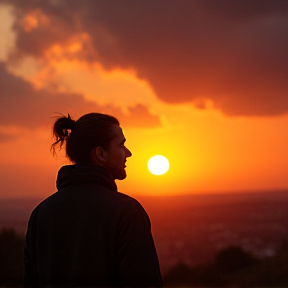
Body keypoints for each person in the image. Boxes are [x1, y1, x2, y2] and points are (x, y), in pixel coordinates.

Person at [23, 112, 162, 288]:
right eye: (121, 145)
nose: (129, 153)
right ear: (101, 154)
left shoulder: (40, 214)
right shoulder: (127, 212)